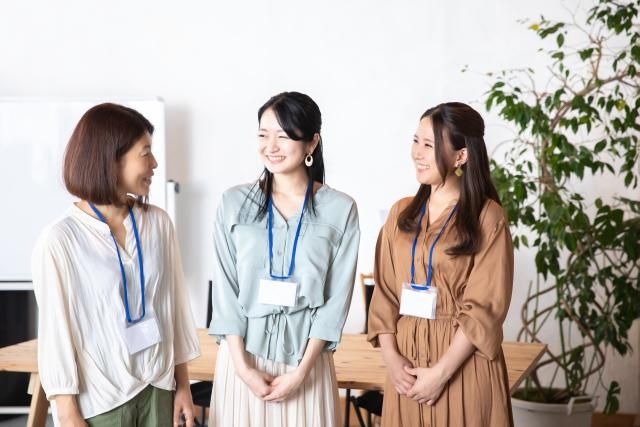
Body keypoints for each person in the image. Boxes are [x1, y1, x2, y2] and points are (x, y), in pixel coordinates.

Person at [32, 103, 200, 427]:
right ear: (112, 159)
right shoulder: (60, 240)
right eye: (145, 153)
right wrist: (66, 412)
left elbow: (172, 308)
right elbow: (56, 332)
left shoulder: (158, 224)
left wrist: (183, 386)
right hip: (102, 401)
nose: (154, 163)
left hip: (159, 388)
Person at [208, 91, 360, 427]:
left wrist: (301, 372)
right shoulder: (233, 203)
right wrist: (243, 368)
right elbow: (226, 292)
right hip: (242, 365)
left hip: (306, 368)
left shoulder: (341, 209)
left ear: (311, 142)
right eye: (263, 135)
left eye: (283, 136)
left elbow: (335, 302)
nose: (271, 146)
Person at [367, 102, 514, 426]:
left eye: (429, 145)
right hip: (405, 367)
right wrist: (392, 360)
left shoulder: (487, 217)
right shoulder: (400, 213)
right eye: (415, 141)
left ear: (460, 156)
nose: (417, 153)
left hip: (462, 366)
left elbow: (484, 308)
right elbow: (384, 294)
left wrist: (440, 373)